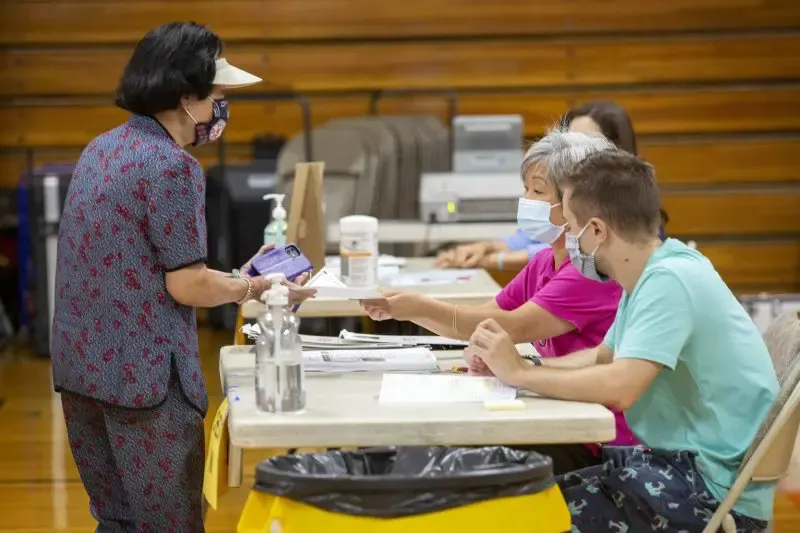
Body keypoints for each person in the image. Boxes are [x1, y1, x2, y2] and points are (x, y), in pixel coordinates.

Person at [51, 23, 314, 532]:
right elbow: (186, 286)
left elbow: (142, 268)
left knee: (117, 521)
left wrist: (237, 275)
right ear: (186, 97)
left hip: (83, 373)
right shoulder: (172, 166)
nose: (221, 106)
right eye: (216, 95)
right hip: (145, 383)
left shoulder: (102, 148)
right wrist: (257, 286)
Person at [467, 149, 777, 532]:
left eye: (572, 226)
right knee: (520, 498)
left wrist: (518, 374)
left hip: (708, 490)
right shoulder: (651, 271)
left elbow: (621, 386)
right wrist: (527, 366)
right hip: (678, 468)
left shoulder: (669, 281)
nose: (567, 237)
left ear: (596, 231)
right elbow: (603, 356)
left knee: (523, 519)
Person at [363, 130, 636, 473]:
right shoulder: (544, 261)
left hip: (595, 439)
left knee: (442, 454)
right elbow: (491, 316)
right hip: (558, 409)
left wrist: (415, 307)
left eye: (538, 192)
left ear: (576, 204)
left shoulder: (589, 271)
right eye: (526, 189)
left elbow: (511, 327)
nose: (527, 200)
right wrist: (409, 307)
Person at [436, 100, 666, 271]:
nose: (570, 149)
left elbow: (571, 252)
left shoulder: (628, 212)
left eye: (583, 142)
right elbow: (529, 240)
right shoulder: (561, 198)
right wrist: (486, 247)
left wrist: (494, 260)